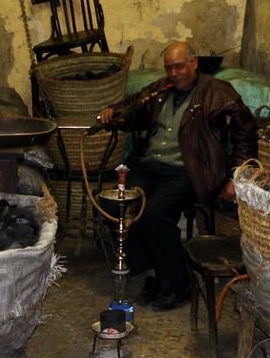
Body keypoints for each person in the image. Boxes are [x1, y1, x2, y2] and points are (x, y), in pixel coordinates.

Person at [95, 41, 258, 310]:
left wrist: (236, 176)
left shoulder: (217, 91)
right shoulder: (159, 90)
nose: (174, 73)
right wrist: (114, 113)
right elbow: (132, 110)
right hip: (149, 167)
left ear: (194, 62)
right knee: (116, 205)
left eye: (179, 66)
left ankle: (178, 283)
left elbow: (246, 132)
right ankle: (155, 268)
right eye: (169, 68)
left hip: (191, 171)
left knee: (155, 213)